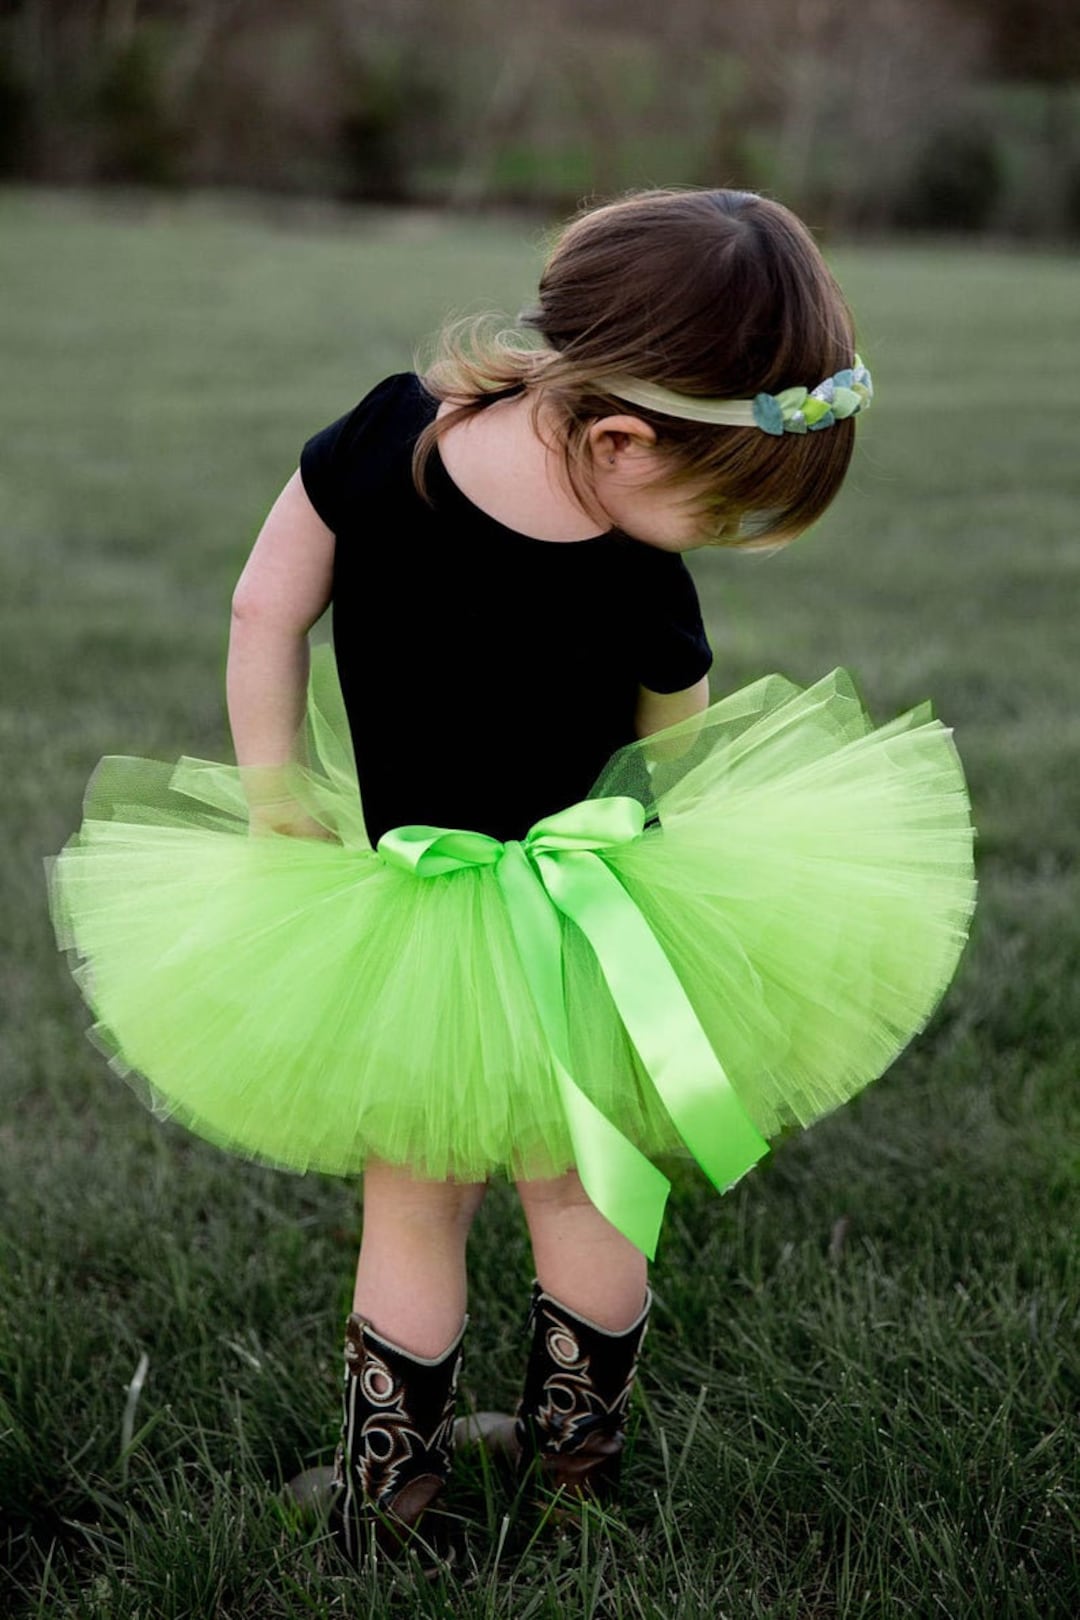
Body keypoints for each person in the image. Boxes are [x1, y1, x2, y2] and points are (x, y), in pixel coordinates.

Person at [46, 188, 976, 1567]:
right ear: (620, 437)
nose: (710, 536)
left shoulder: (377, 443)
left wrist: (272, 793)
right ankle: (574, 1471)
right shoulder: (634, 574)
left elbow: (264, 607)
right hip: (586, 924)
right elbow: (680, 743)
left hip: (404, 914)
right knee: (584, 1190)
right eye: (718, 505)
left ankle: (392, 1490)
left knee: (412, 1206)